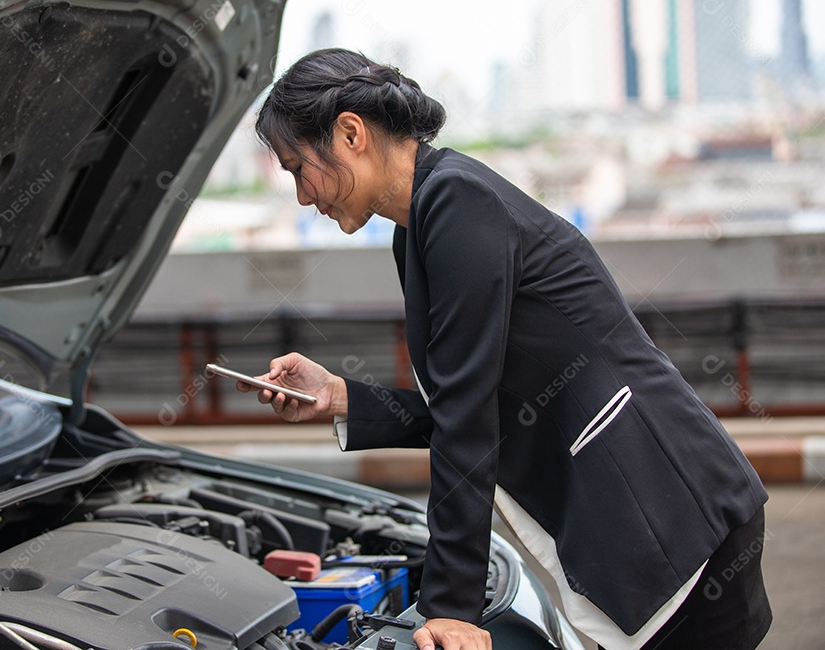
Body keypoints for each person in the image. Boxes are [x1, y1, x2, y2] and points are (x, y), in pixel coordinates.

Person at [236, 48, 771, 650]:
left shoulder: (459, 202)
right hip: (637, 523)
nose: (304, 197)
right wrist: (340, 397)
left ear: (351, 133)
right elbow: (476, 402)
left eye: (296, 168)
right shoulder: (420, 226)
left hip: (668, 517)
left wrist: (451, 607)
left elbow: (468, 414)